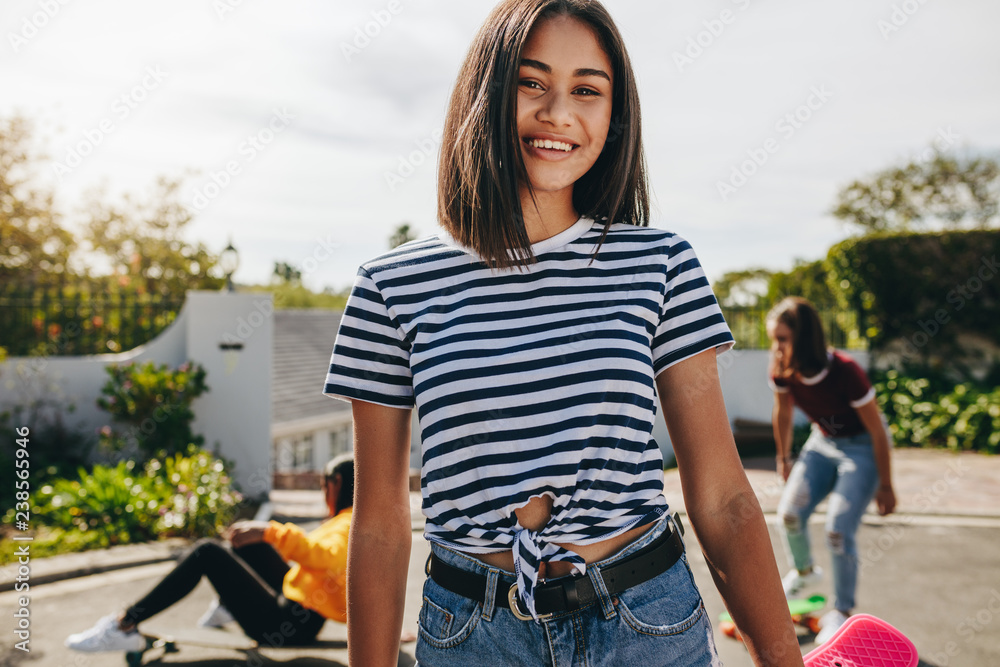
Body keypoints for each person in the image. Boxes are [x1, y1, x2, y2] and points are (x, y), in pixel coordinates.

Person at [324, 1, 804, 665]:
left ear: (614, 115)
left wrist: (784, 660)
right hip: (474, 638)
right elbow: (377, 525)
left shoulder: (662, 265)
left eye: (587, 90)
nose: (558, 113)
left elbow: (722, 496)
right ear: (486, 94)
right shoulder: (390, 286)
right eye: (531, 83)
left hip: (649, 625)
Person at [64, 454, 355, 653]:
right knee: (244, 543)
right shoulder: (349, 519)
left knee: (207, 552)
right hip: (296, 606)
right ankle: (229, 606)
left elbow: (327, 557)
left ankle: (124, 625)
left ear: (337, 484)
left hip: (286, 627)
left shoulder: (346, 525)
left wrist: (269, 531)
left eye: (323, 485)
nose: (322, 493)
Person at [766, 296, 897, 645]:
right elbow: (782, 412)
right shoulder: (782, 366)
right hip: (822, 444)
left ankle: (841, 611)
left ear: (804, 339)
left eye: (782, 339)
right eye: (773, 339)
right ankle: (805, 572)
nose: (775, 347)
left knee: (838, 530)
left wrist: (886, 485)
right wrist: (783, 458)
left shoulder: (845, 371)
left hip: (863, 448)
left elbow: (878, 431)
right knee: (789, 515)